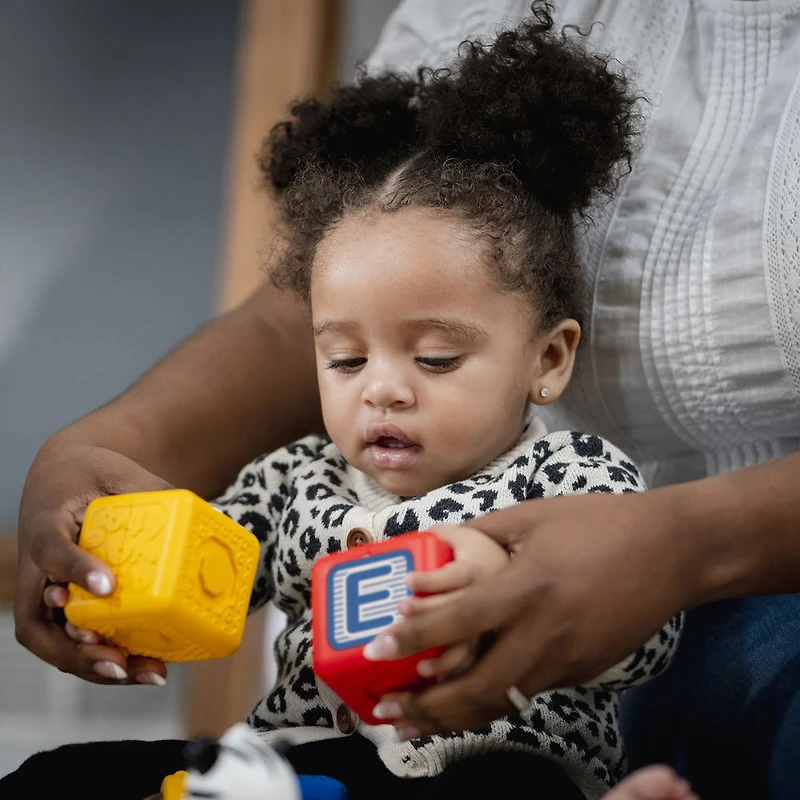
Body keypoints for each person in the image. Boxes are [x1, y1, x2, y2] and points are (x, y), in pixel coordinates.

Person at [11, 0, 800, 797]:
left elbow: (646, 635)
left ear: (549, 358)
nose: (383, 388)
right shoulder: (295, 480)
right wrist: (114, 581)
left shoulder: (571, 476)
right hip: (309, 757)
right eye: (345, 358)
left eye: (435, 357)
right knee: (55, 777)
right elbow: (215, 575)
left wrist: (501, 579)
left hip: (495, 762)